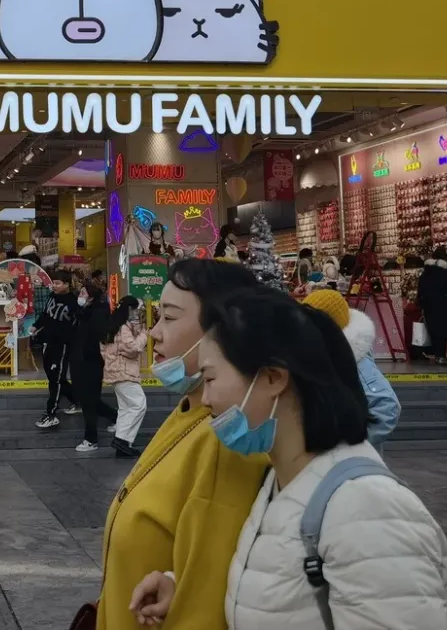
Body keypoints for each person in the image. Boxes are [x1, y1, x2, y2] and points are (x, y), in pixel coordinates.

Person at [129, 285, 447, 630]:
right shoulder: (281, 481)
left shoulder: (367, 510)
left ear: (273, 378)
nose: (207, 399)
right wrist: (182, 586)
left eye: (211, 378)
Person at [92, 258, 269, 630]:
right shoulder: (189, 413)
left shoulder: (228, 440)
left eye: (169, 318)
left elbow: (205, 605)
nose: (155, 333)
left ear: (221, 332)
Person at [303, 289, 401, 452]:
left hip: (347, 459)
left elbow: (387, 407)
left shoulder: (355, 360)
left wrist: (349, 448)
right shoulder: (327, 354)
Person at [71, 276, 117, 453]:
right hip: (79, 361)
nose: (80, 296)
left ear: (91, 297)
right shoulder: (81, 313)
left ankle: (91, 439)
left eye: (83, 293)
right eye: (80, 293)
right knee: (88, 400)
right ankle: (115, 416)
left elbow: (99, 338)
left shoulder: (98, 314)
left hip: (91, 363)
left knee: (89, 402)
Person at [101, 295, 148, 458]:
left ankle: (123, 445)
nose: (137, 313)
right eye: (136, 310)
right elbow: (133, 348)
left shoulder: (112, 325)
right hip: (125, 372)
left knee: (125, 408)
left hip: (114, 371)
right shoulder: (124, 327)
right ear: (129, 309)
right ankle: (122, 440)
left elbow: (104, 350)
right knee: (139, 404)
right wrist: (144, 334)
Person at [31, 270, 78, 429]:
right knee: (55, 377)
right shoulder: (52, 296)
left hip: (63, 345)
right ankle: (78, 400)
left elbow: (77, 325)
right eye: (53, 283)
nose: (54, 286)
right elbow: (45, 314)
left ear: (67, 284)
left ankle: (51, 414)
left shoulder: (73, 302)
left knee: (56, 380)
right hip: (49, 342)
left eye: (58, 283)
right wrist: (36, 326)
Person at [415, 249, 447, 367]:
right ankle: (441, 356)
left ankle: (436, 355)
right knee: (442, 332)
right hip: (444, 307)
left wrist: (422, 304)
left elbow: (420, 291)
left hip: (429, 307)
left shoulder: (425, 273)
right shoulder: (446, 273)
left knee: (434, 331)